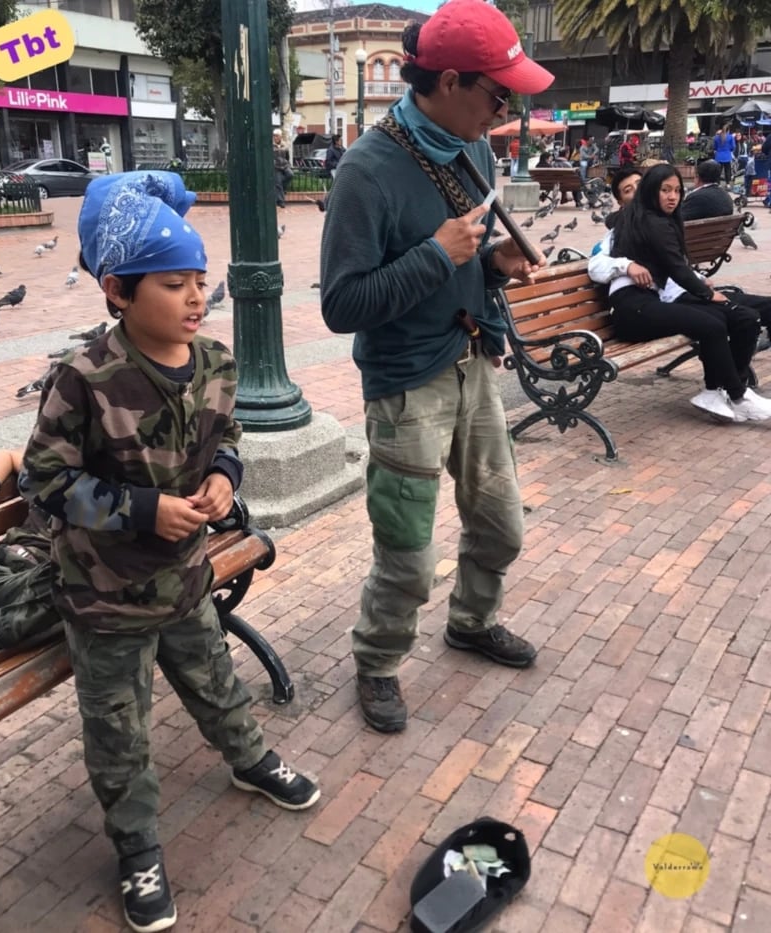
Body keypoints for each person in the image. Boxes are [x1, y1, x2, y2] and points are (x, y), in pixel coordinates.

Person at [19, 171, 320, 933]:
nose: (195, 298)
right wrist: (142, 508)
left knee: (217, 683)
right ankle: (137, 845)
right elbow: (45, 481)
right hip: (107, 600)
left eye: (199, 280)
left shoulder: (214, 363)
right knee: (120, 731)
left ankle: (250, 759)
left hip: (185, 586)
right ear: (118, 290)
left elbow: (229, 442)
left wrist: (223, 480)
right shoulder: (85, 377)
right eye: (173, 283)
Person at [320, 0, 552, 733]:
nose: (504, 109)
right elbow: (341, 304)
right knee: (407, 556)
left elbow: (466, 259)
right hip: (406, 385)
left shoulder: (472, 148)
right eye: (497, 93)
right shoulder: (367, 170)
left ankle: (471, 621)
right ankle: (378, 660)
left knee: (502, 525)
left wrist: (493, 266)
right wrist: (435, 256)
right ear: (449, 81)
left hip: (473, 363)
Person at [589, 163, 771, 422]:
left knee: (733, 318)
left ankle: (721, 391)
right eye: (629, 190)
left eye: (675, 190)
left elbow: (674, 264)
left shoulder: (655, 222)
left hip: (657, 300)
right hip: (634, 306)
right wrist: (626, 265)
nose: (670, 196)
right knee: (714, 322)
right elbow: (596, 263)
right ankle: (738, 395)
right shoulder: (624, 228)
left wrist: (700, 282)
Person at [0, 449, 58, 662]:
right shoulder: (63, 470)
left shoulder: (125, 499)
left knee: (91, 570)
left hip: (27, 587)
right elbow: (7, 456)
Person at [272, 129, 294, 207]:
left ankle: (283, 189)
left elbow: (287, 156)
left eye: (277, 136)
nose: (275, 137)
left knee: (290, 175)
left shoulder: (285, 145)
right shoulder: (271, 145)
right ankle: (281, 201)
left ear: (280, 136)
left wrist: (287, 164)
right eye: (274, 136)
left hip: (284, 166)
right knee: (278, 183)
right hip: (276, 167)